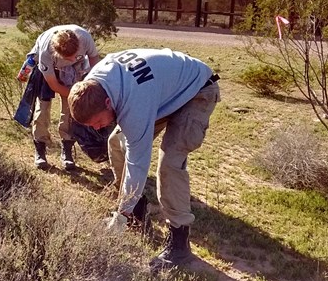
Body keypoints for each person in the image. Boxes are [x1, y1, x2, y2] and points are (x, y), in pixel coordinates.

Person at [68, 48, 220, 269]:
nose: (97, 128)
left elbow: (138, 162)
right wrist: (128, 205)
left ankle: (179, 244)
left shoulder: (134, 104)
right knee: (116, 143)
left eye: (98, 121)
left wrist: (119, 214)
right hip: (163, 92)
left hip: (197, 91)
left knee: (169, 164)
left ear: (108, 103)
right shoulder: (93, 83)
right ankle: (135, 210)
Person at [25, 24, 100, 170]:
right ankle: (40, 150)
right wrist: (74, 94)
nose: (72, 59)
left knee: (70, 111)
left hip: (76, 71)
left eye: (75, 55)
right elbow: (54, 85)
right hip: (49, 72)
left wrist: (86, 87)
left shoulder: (85, 38)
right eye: (68, 57)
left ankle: (67, 151)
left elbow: (94, 62)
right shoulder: (46, 52)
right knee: (42, 110)